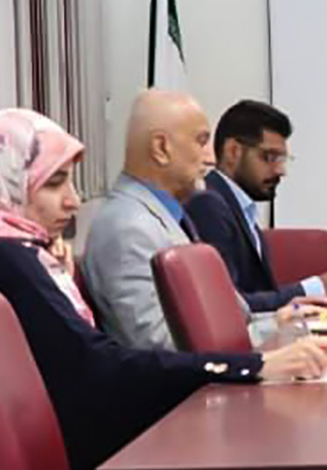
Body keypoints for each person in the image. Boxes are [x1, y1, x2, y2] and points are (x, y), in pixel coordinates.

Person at [0, 109, 327, 470]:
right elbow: (101, 370)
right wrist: (251, 367)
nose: (74, 200)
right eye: (54, 183)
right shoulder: (2, 259)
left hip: (97, 459)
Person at [81, 89, 228, 350]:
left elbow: (232, 317)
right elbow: (157, 345)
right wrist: (262, 353)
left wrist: (280, 324)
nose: (211, 158)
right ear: (161, 148)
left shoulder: (164, 216)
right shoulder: (127, 229)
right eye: (201, 141)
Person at [185, 99, 327, 311]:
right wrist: (319, 287)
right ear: (233, 151)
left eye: (282, 159)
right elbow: (230, 304)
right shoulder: (208, 204)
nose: (280, 171)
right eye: (270, 157)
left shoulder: (238, 206)